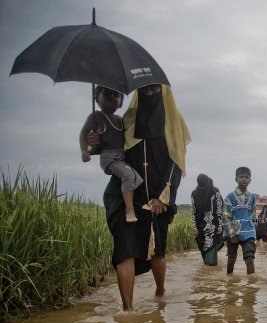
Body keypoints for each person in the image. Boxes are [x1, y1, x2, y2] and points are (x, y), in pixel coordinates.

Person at [91, 84, 191, 310]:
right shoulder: (125, 121)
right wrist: (94, 141)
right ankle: (127, 310)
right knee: (124, 251)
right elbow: (110, 150)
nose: (148, 94)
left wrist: (162, 196)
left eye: (154, 90)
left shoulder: (174, 123)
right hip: (124, 195)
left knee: (157, 251)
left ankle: (159, 293)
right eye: (144, 90)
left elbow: (176, 162)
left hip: (157, 197)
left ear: (164, 92)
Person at [79, 86, 143, 223]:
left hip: (121, 157)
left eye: (116, 94)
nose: (112, 97)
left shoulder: (120, 120)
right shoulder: (96, 117)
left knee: (137, 178)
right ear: (96, 99)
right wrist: (86, 150)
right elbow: (83, 134)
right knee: (129, 176)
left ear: (121, 102)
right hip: (110, 158)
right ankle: (129, 210)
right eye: (107, 94)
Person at [222, 166, 257, 275]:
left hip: (248, 232)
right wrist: (232, 234)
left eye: (246, 177)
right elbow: (226, 216)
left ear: (250, 180)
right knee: (231, 259)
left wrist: (254, 227)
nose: (244, 179)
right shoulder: (230, 197)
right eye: (241, 177)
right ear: (236, 179)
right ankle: (229, 281)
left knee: (250, 259)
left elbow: (253, 215)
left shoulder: (252, 197)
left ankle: (250, 288)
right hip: (233, 233)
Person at [191, 173, 223, 266]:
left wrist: (220, 224)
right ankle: (207, 272)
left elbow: (219, 208)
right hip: (200, 226)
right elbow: (193, 211)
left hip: (213, 226)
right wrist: (194, 227)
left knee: (211, 253)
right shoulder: (194, 193)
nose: (202, 188)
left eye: (204, 186)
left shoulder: (215, 191)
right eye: (200, 186)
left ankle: (212, 276)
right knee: (203, 250)